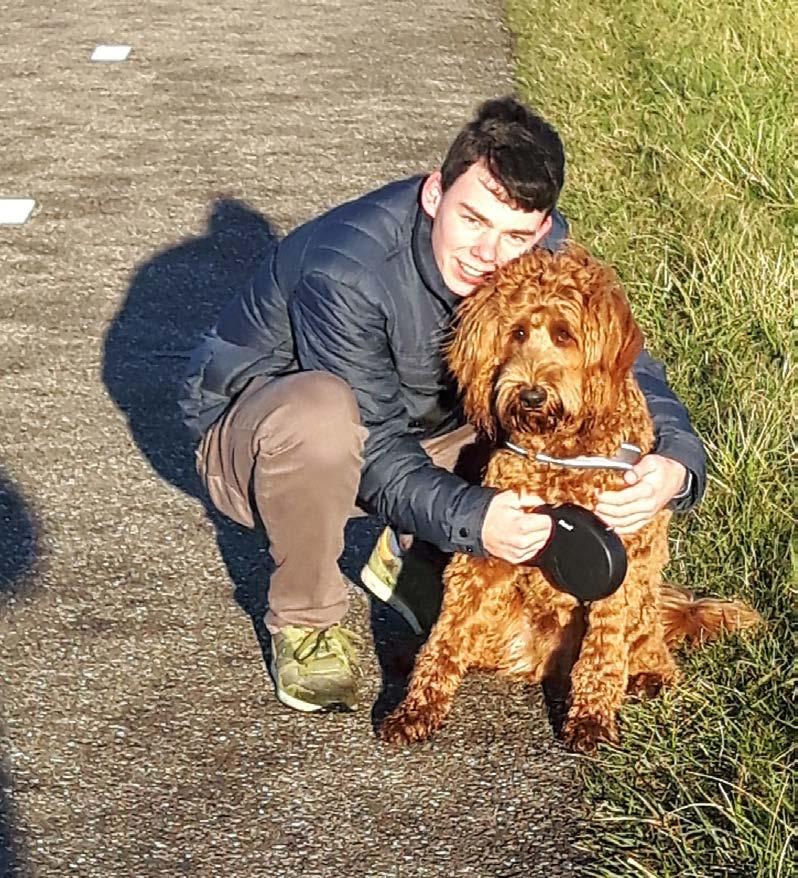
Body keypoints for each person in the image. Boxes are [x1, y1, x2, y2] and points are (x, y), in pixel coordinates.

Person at [179, 96, 705, 713]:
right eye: (473, 220)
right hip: (266, 443)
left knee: (538, 410)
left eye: (515, 234)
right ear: (434, 194)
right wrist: (475, 518)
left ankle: (412, 553)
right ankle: (307, 619)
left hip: (416, 418)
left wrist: (676, 461)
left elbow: (621, 369)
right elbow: (372, 444)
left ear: (540, 229)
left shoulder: (537, 252)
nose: (489, 251)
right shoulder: (346, 273)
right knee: (320, 417)